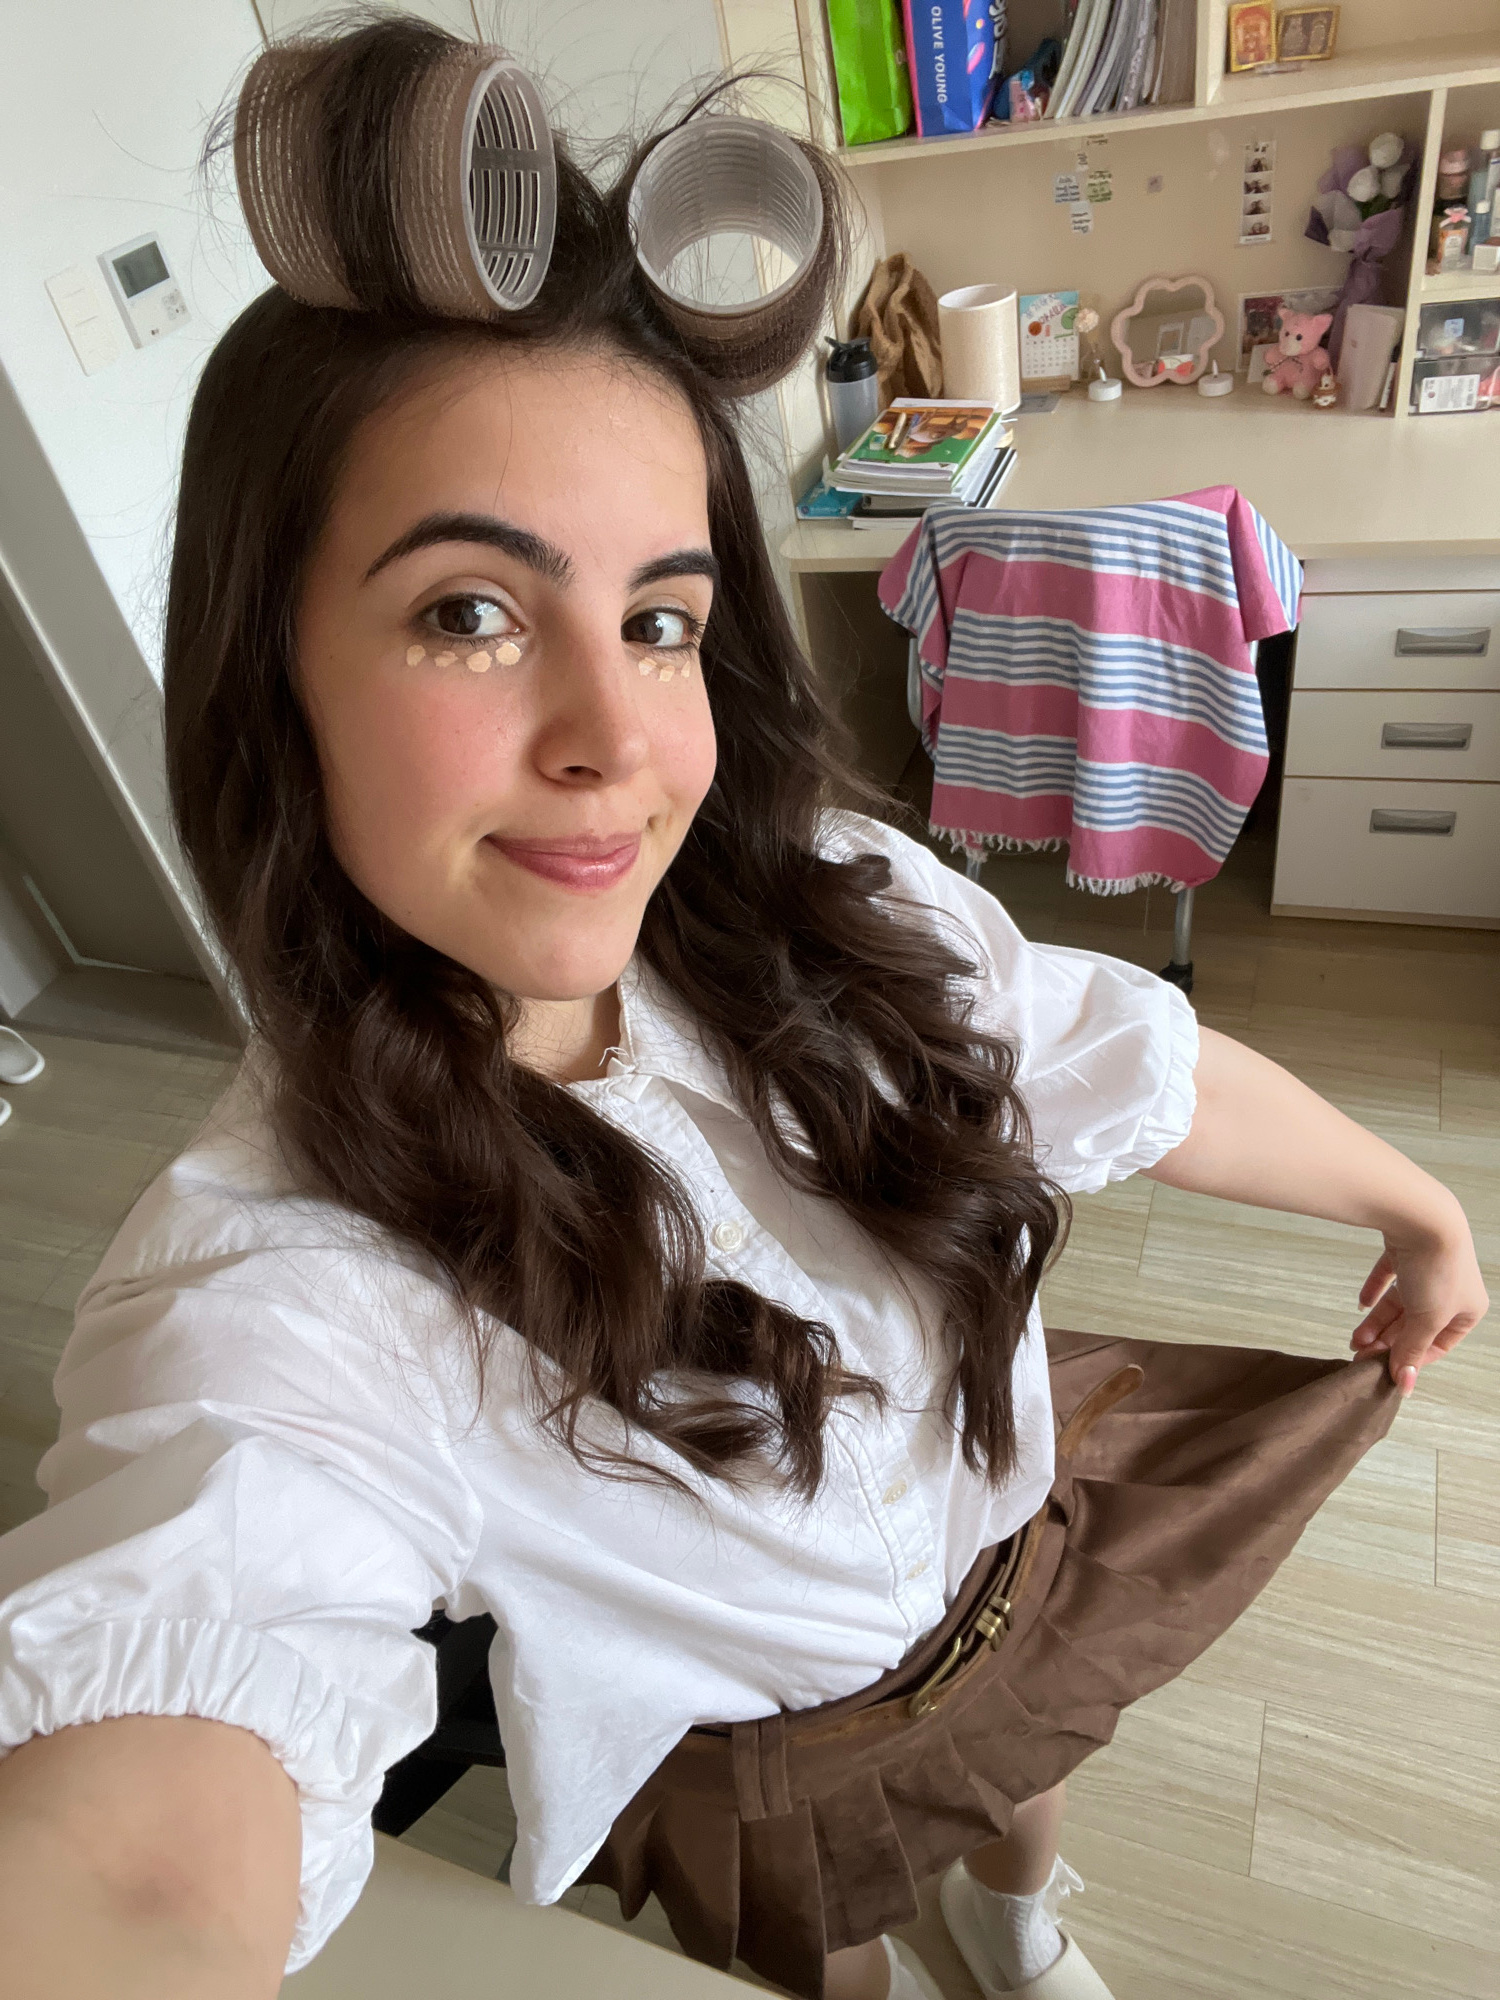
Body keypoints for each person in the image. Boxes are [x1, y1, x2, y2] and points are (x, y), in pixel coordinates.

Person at [0, 18, 1487, 2000]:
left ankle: (1017, 1922)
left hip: (1015, 1557)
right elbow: (154, 1805)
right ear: (272, 677)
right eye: (470, 612)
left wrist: (1415, 1200)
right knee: (828, 1947)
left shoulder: (835, 909)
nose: (614, 738)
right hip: (780, 1762)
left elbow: (1114, 1055)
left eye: (659, 619)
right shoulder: (291, 1278)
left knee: (1026, 1776)